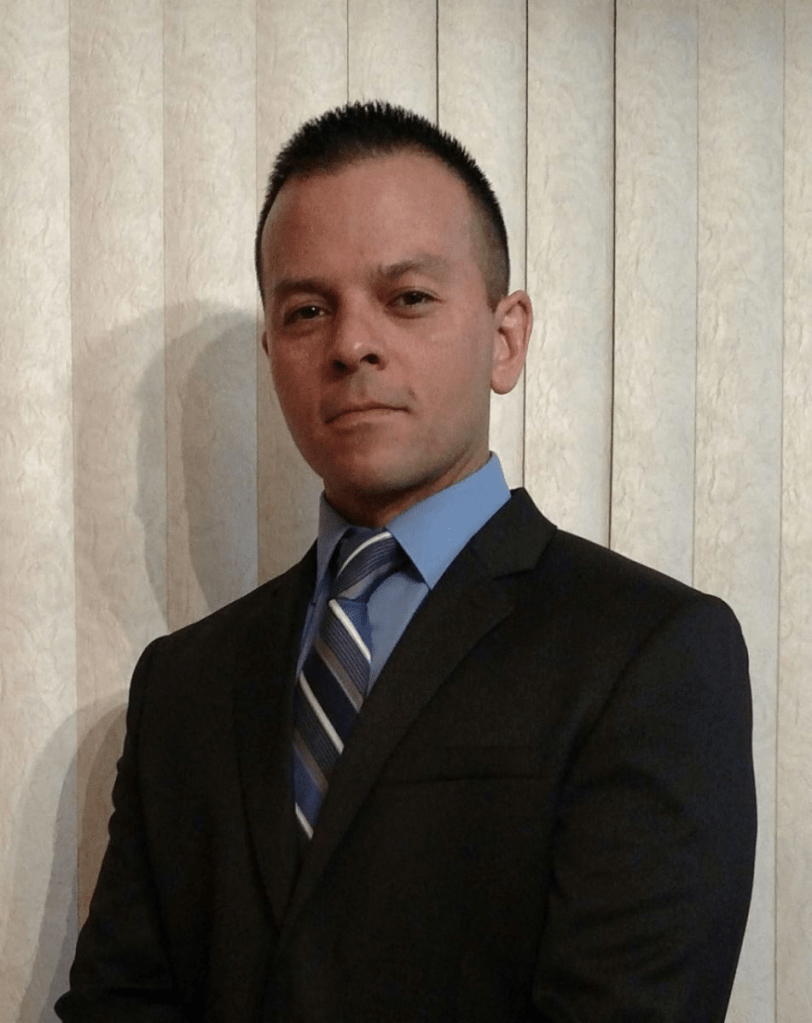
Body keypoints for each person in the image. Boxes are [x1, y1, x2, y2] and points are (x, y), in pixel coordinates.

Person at [56, 101, 756, 1023]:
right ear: (273, 350)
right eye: (307, 309)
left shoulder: (650, 652)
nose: (351, 344)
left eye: (407, 298)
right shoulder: (182, 683)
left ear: (505, 337)